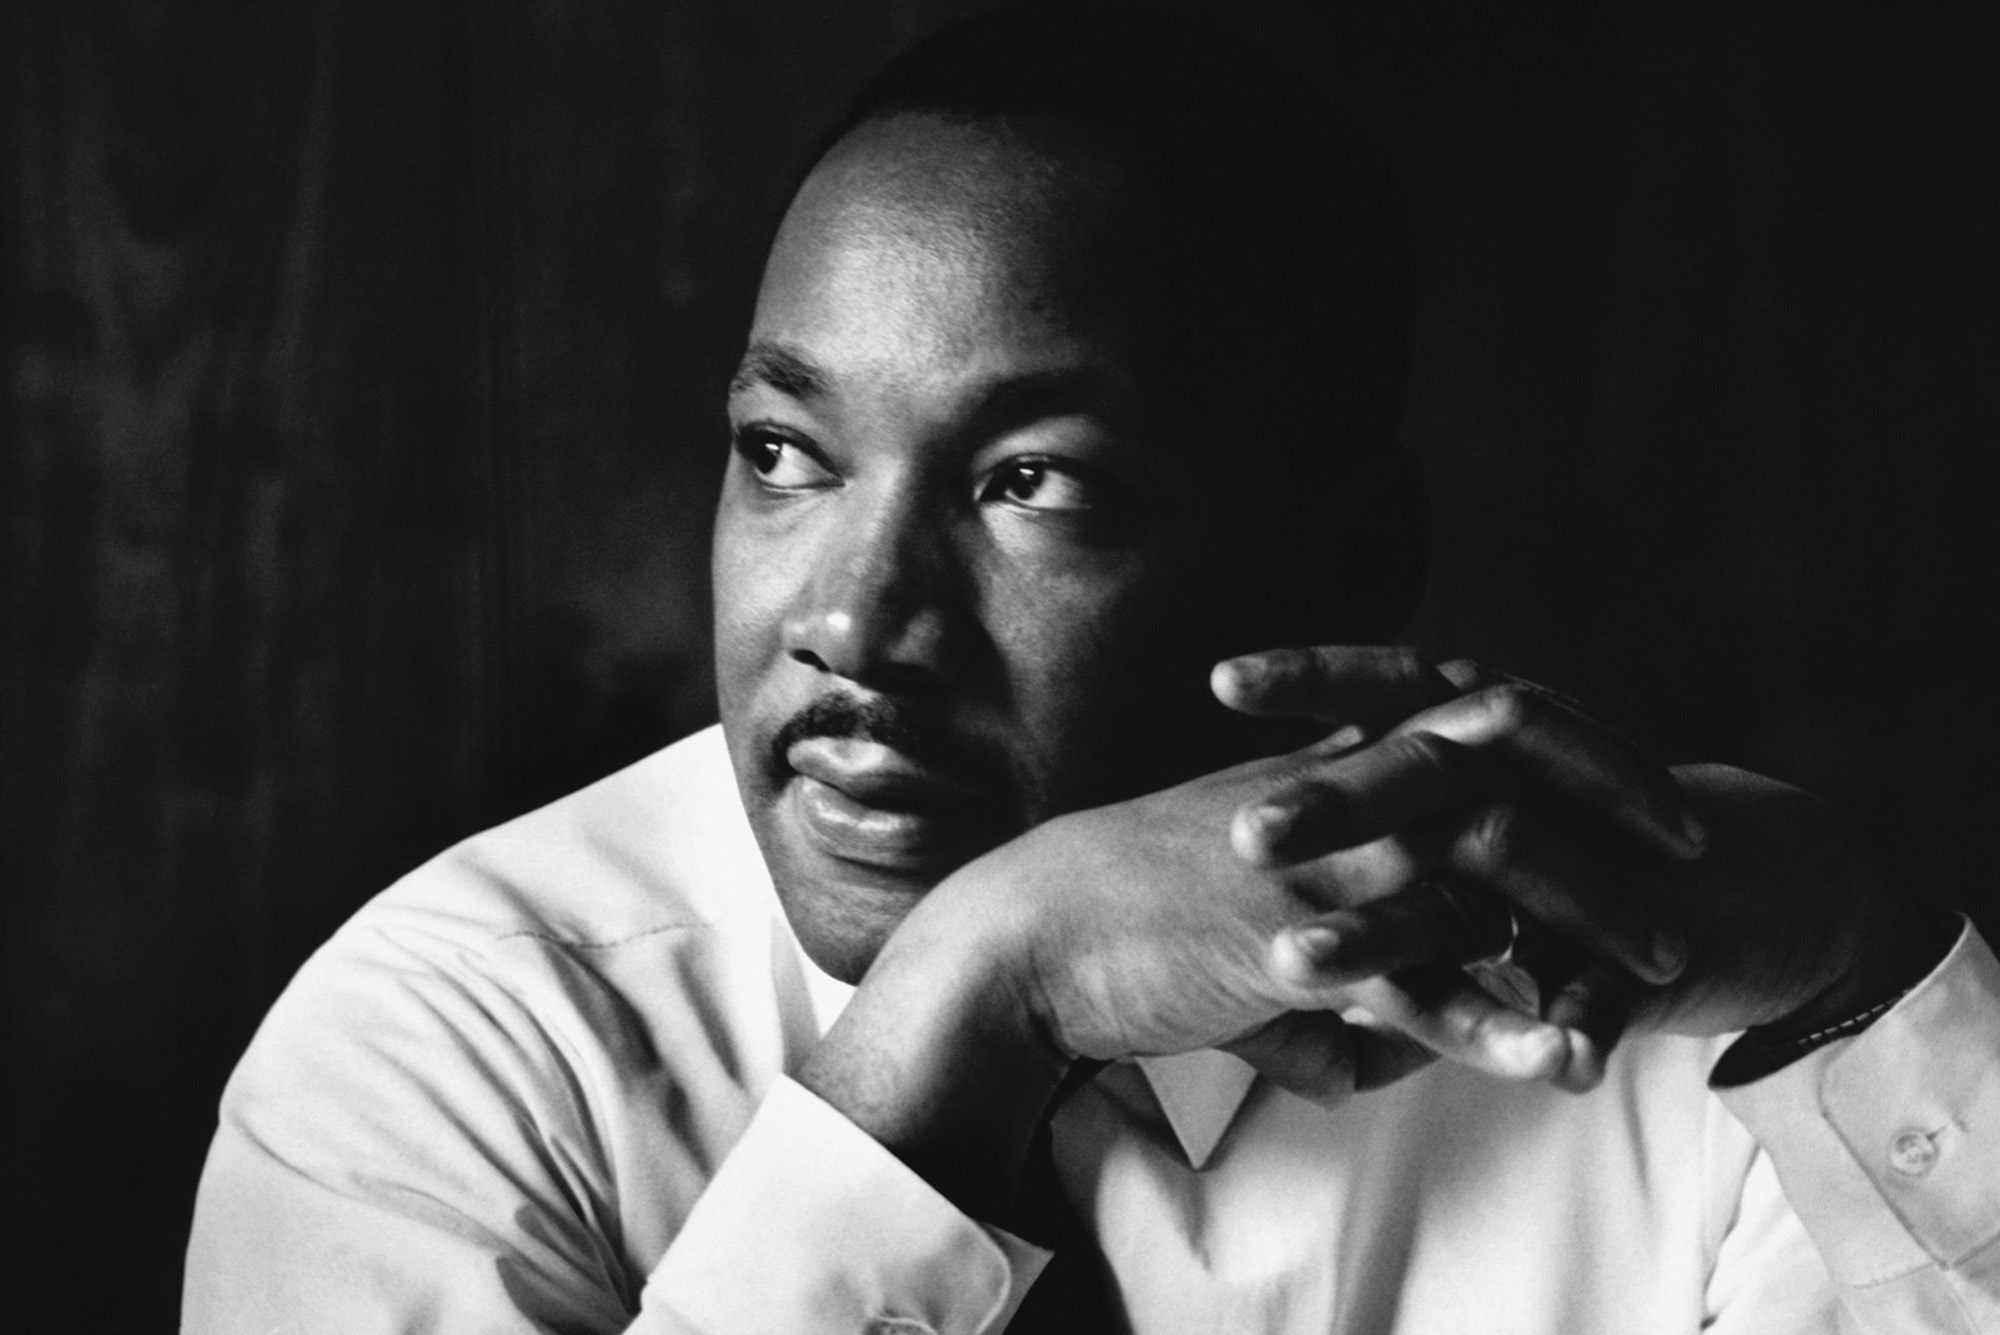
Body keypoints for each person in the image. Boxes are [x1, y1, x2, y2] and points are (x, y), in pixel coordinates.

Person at [182, 8, 2000, 1333]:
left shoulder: (1663, 1041)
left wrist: (1869, 984)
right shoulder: (455, 1053)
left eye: (1030, 484)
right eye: (783, 454)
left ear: (1347, 562)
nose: (855, 622)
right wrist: (980, 1003)